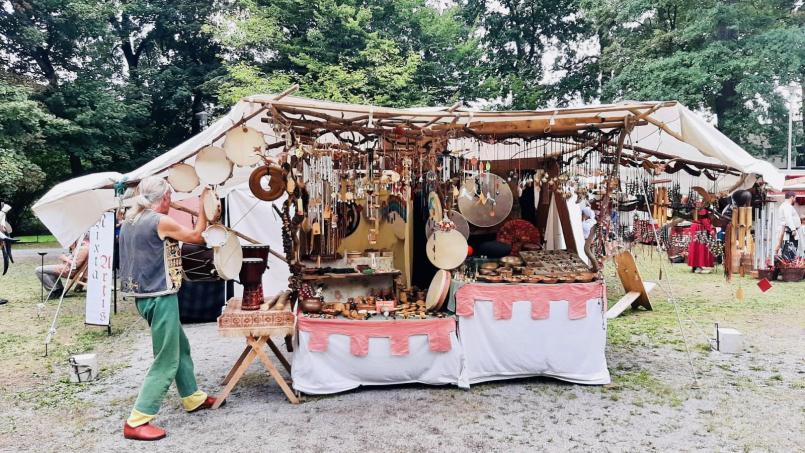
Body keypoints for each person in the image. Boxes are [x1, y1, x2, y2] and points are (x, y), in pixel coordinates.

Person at [120, 176, 219, 441]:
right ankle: (138, 419)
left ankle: (192, 397)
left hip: (144, 296)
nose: (171, 201)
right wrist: (203, 207)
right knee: (167, 358)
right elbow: (197, 238)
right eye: (170, 197)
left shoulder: (130, 219)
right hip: (160, 296)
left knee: (179, 346)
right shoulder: (158, 221)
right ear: (164, 198)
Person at [687, 202, 715, 273]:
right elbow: (704, 220)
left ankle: (695, 266)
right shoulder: (701, 206)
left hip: (695, 227)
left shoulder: (696, 204)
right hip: (700, 228)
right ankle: (699, 265)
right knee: (700, 248)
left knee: (695, 247)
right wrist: (710, 230)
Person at [775, 191, 799, 258]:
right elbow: (788, 218)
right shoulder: (786, 206)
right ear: (792, 197)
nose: (795, 200)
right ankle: (788, 265)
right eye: (795, 198)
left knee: (789, 251)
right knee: (789, 252)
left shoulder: (785, 205)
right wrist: (793, 229)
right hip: (789, 232)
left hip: (788, 231)